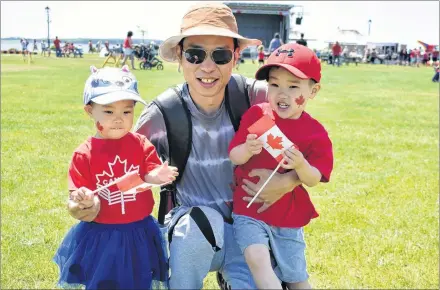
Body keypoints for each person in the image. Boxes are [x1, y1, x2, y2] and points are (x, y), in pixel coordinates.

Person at [67, 2, 304, 289]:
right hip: (195, 230)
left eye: (220, 55)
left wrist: (288, 180)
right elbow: (118, 163)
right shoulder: (164, 112)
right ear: (180, 57)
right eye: (194, 54)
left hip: (251, 230)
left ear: (236, 57)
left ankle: (234, 275)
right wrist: (91, 204)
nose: (207, 67)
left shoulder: (258, 96)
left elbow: (311, 143)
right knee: (198, 224)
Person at [53, 65, 177, 289]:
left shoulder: (139, 144)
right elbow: (76, 198)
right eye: (109, 112)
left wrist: (157, 175)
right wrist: (83, 200)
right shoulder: (85, 153)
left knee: (140, 279)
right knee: (103, 281)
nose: (119, 119)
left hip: (139, 231)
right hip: (101, 235)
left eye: (127, 112)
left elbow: (148, 172)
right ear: (89, 111)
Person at [229, 43, 333, 290]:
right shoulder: (257, 115)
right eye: (274, 85)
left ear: (313, 91)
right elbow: (234, 155)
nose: (281, 94)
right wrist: (247, 149)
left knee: (296, 276)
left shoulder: (315, 133)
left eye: (293, 86)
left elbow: (314, 178)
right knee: (256, 258)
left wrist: (301, 165)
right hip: (248, 210)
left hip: (288, 217)